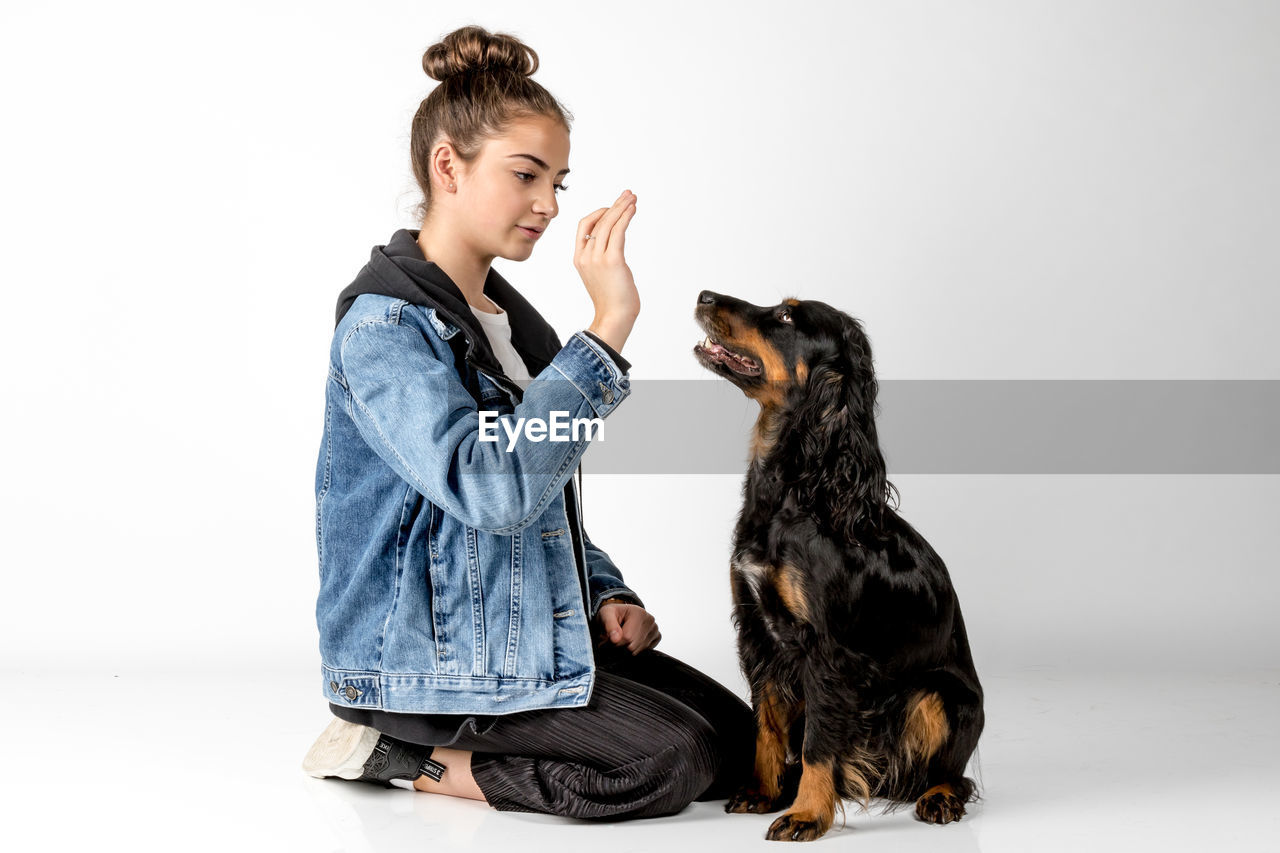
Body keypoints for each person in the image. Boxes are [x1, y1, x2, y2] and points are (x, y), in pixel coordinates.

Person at [301, 24, 754, 821]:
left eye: (559, 182)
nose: (547, 204)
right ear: (448, 166)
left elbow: (542, 502)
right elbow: (493, 489)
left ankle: (493, 724)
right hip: (426, 664)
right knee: (673, 759)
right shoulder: (384, 332)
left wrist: (605, 591)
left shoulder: (512, 328)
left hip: (515, 633)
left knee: (747, 748)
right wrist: (609, 325)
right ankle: (408, 757)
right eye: (526, 175)